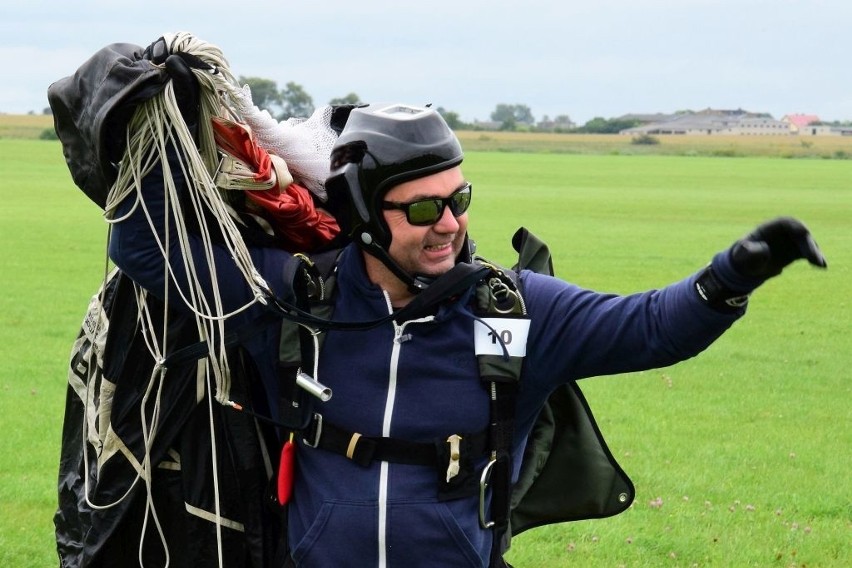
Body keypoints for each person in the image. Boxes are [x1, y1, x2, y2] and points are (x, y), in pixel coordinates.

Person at [53, 38, 827, 568]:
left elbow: (653, 328)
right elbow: (147, 252)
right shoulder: (294, 299)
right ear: (363, 215)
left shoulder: (515, 313)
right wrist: (142, 110)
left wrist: (739, 270)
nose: (450, 223)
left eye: (457, 199)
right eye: (421, 209)